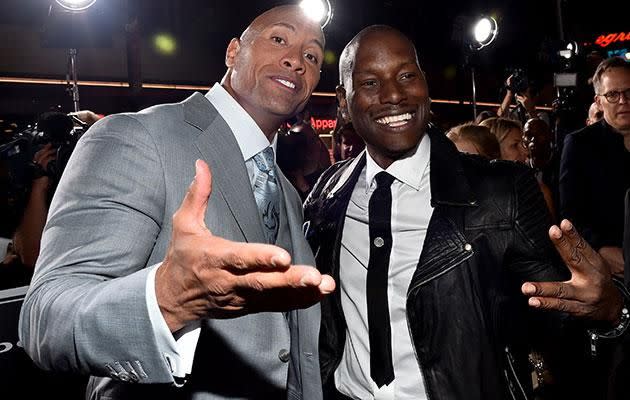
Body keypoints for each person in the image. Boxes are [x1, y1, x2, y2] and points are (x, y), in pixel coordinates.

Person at [19, 5, 335, 399]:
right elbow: (46, 319)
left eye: (312, 56)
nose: (296, 60)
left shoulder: (287, 190)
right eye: (278, 39)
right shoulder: (134, 136)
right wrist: (166, 299)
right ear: (233, 52)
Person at [303, 25, 628, 400]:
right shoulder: (327, 193)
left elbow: (559, 311)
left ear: (425, 83)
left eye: (407, 75)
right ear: (343, 100)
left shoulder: (502, 191)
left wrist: (610, 311)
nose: (394, 94)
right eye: (370, 83)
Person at [559, 56, 630, 279]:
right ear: (598, 101)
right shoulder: (580, 144)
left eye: (629, 92)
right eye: (613, 94)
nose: (623, 101)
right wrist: (601, 250)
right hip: (609, 275)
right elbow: (570, 213)